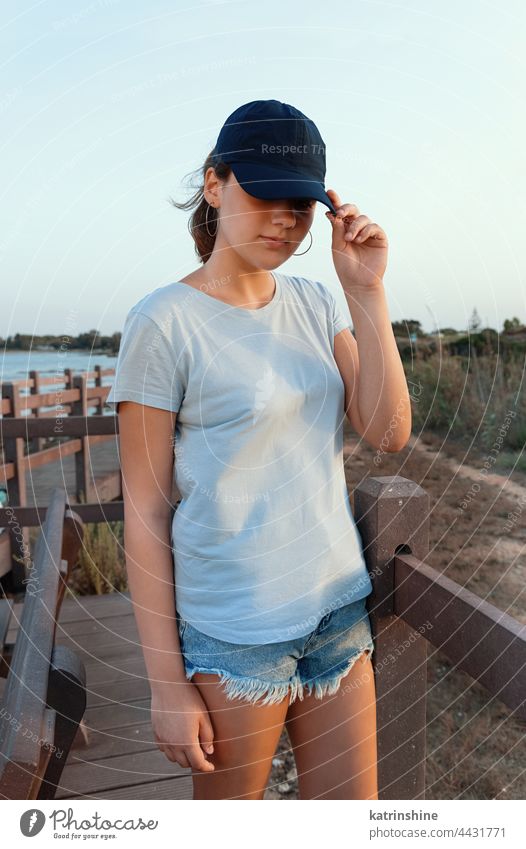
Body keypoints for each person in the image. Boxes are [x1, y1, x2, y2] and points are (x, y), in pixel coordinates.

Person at [106, 99, 411, 800]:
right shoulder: (164, 322)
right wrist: (166, 688)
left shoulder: (316, 303)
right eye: (265, 195)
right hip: (233, 635)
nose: (285, 218)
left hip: (337, 610)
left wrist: (366, 290)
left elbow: (388, 431)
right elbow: (146, 512)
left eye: (301, 204)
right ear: (215, 185)